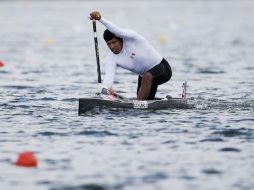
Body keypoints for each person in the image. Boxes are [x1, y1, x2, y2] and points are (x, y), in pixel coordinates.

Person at [90, 11, 172, 100]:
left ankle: (138, 104)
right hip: (145, 78)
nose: (112, 46)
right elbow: (109, 77)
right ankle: (165, 100)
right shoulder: (111, 58)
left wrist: (101, 19)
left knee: (146, 78)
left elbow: (118, 31)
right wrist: (104, 89)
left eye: (114, 42)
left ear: (121, 39)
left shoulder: (132, 38)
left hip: (163, 69)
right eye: (109, 44)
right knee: (145, 101)